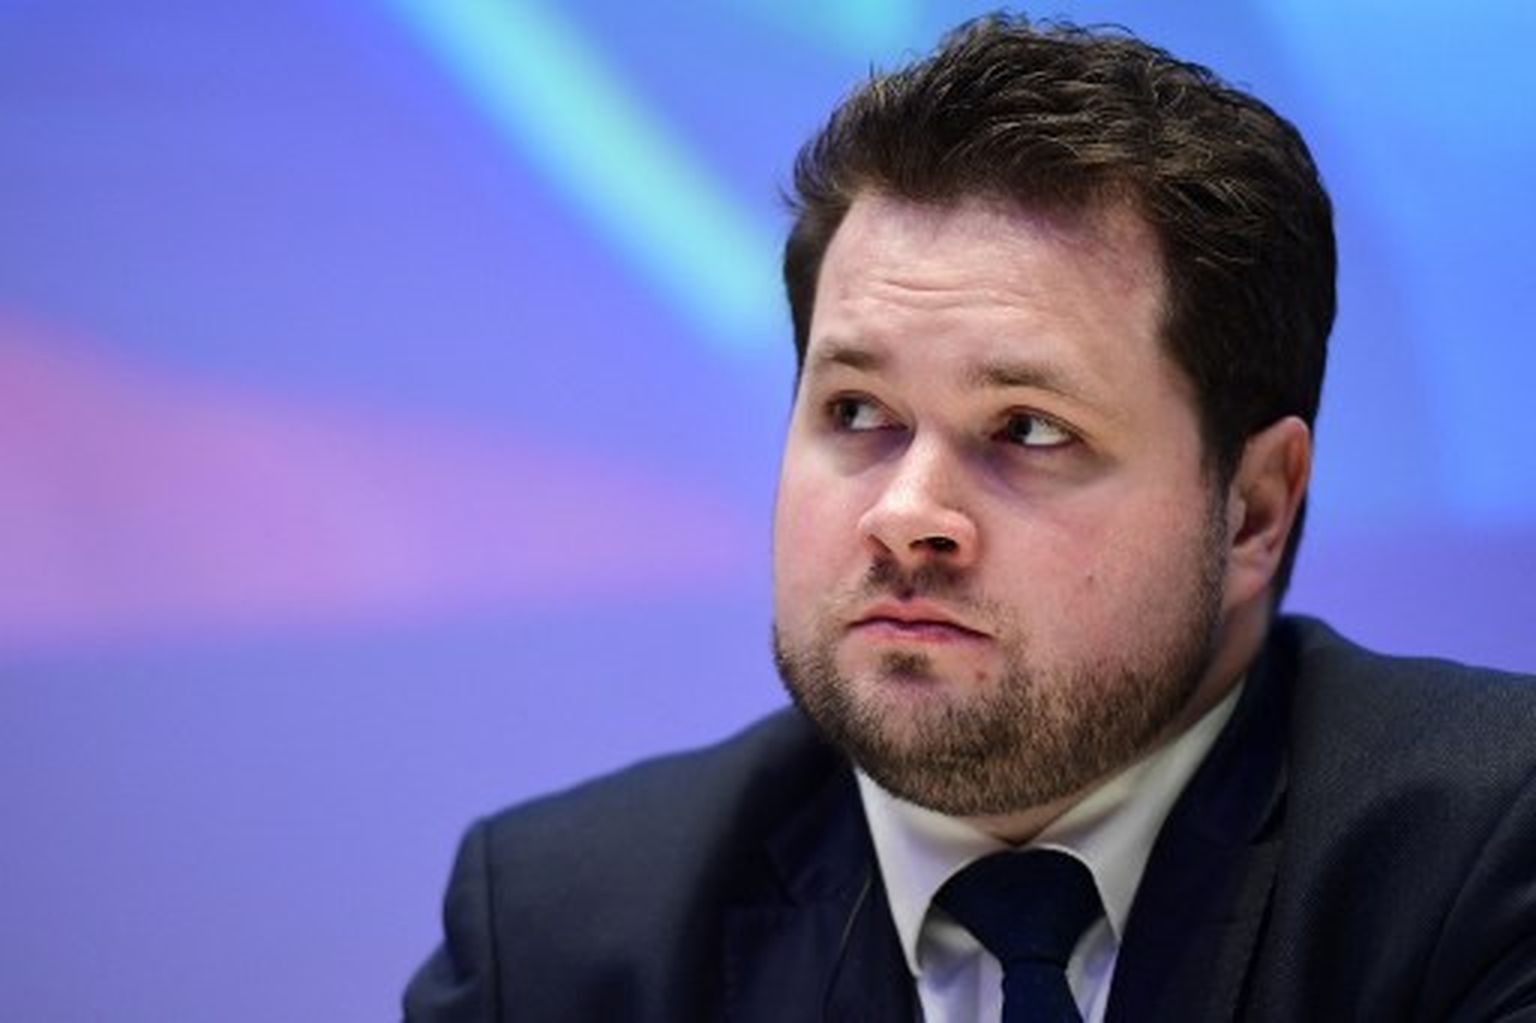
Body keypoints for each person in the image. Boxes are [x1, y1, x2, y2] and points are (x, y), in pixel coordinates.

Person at [402, 13, 1536, 1022]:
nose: (905, 516)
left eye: (1028, 429)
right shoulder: (561, 937)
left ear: (1253, 511)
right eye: (857, 411)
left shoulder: (1486, 857)